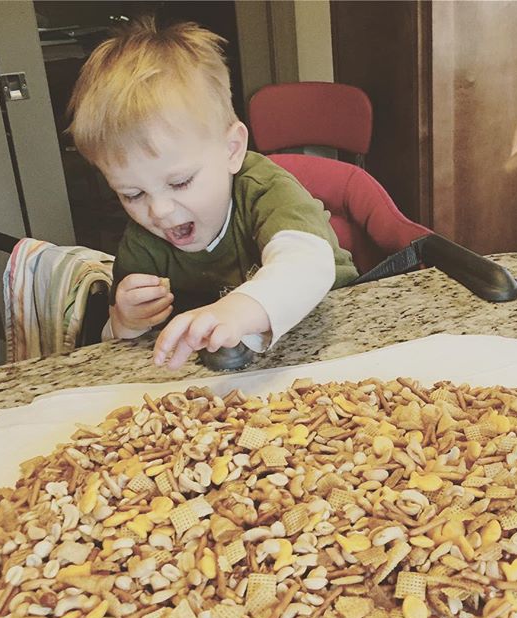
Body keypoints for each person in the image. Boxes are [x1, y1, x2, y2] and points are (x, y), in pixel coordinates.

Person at [67, 17, 358, 369]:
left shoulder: (265, 190)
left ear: (232, 150)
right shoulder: (143, 242)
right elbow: (126, 354)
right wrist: (122, 324)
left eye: (179, 183)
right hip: (231, 375)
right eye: (132, 194)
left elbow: (307, 265)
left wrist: (237, 310)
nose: (158, 210)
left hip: (336, 340)